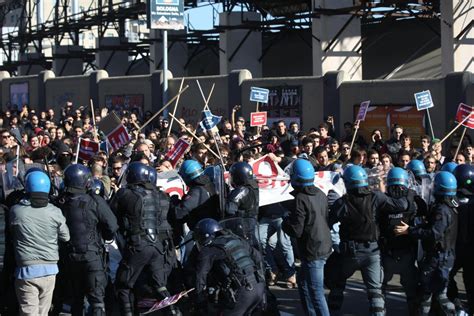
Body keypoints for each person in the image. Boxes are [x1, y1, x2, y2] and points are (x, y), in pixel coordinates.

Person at [328, 165, 410, 316]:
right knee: (375, 293)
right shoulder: (376, 197)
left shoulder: (342, 203)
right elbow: (402, 205)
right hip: (372, 251)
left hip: (349, 252)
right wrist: (408, 193)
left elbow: (329, 222)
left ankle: (332, 313)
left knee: (338, 284)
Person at [111, 162, 180, 316]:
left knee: (123, 284)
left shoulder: (125, 193)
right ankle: (173, 311)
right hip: (158, 246)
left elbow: (112, 214)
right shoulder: (161, 195)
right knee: (159, 285)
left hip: (138, 244)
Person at [57, 164, 118, 315]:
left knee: (73, 300)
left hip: (69, 257)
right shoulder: (95, 201)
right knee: (97, 301)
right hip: (92, 256)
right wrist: (106, 237)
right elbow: (112, 225)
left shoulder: (60, 202)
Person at [394, 171, 458, 315]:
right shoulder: (452, 205)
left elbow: (433, 233)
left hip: (438, 256)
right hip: (446, 255)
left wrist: (409, 231)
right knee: (431, 293)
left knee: (431, 292)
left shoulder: (442, 210)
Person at [10, 171, 70, 316]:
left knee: (28, 312)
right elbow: (66, 237)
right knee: (43, 312)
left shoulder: (16, 211)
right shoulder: (55, 212)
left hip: (26, 271)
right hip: (50, 271)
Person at [282, 159, 332, 316]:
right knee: (303, 283)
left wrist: (286, 221)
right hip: (323, 244)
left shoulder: (300, 199)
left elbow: (296, 230)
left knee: (316, 292)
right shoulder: (320, 193)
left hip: (312, 249)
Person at [192, 218, 265, 316]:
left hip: (244, 291)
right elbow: (258, 257)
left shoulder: (209, 250)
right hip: (259, 285)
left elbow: (200, 276)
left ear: (205, 236)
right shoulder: (236, 239)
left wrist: (200, 300)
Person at [378, 167, 419, 315]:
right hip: (407, 253)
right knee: (411, 291)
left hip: (387, 252)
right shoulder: (412, 202)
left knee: (379, 290)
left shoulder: (383, 203)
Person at [448, 164, 474, 313]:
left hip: (455, 247)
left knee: (447, 276)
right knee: (470, 281)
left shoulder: (452, 200)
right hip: (470, 248)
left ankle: (456, 302)